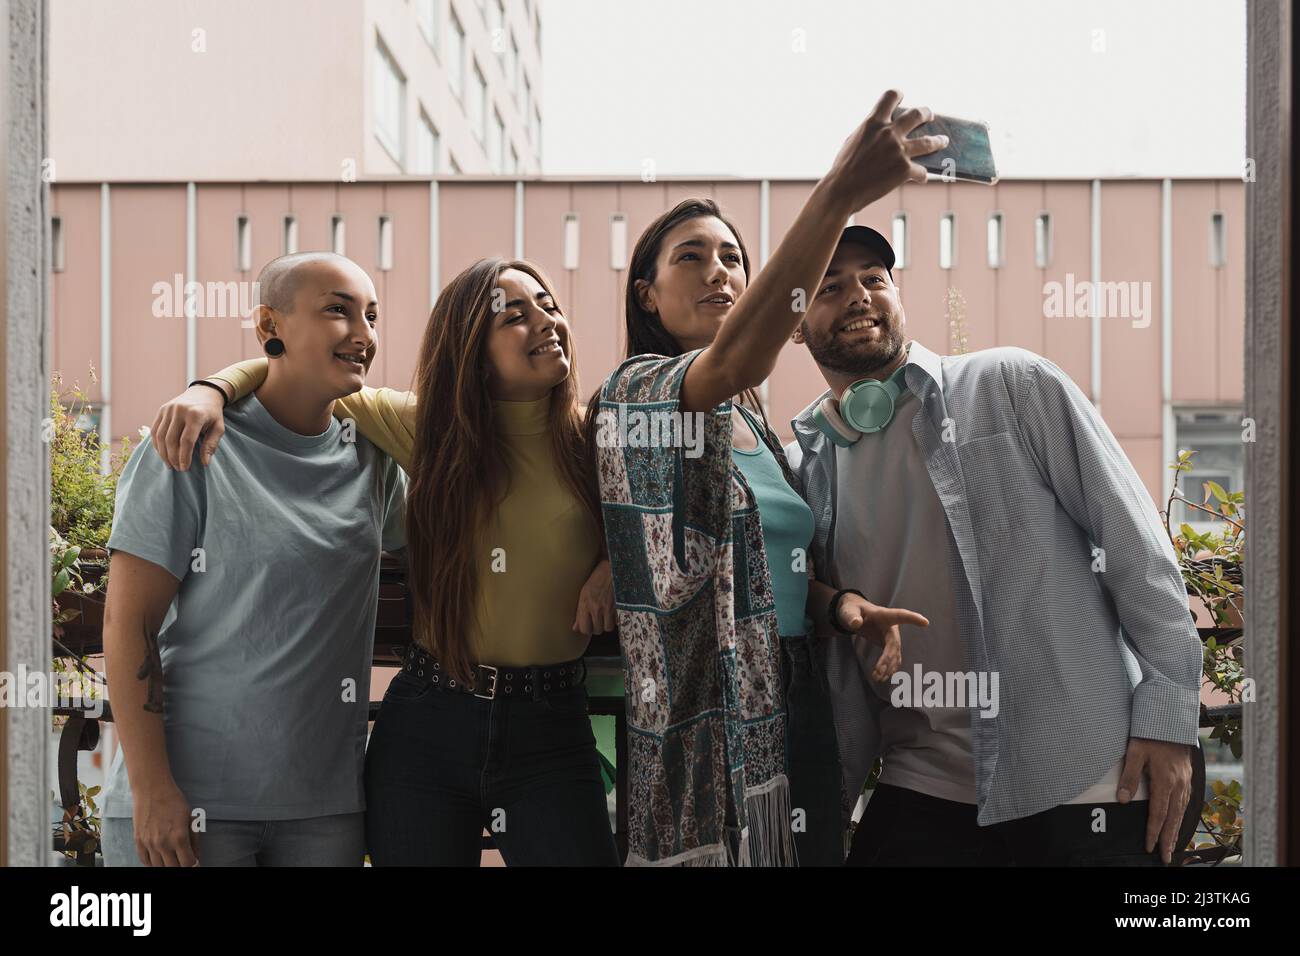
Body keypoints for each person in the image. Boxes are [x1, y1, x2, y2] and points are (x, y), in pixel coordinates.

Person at [149, 257, 620, 866]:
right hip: (428, 725)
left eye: (549, 305)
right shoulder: (431, 429)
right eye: (515, 315)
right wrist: (209, 389)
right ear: (472, 348)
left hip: (552, 727)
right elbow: (296, 371)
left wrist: (615, 560)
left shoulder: (599, 440)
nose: (546, 322)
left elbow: (673, 520)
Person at [590, 89, 942, 866]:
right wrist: (840, 190)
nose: (719, 272)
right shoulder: (636, 390)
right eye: (691, 257)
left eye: (732, 259)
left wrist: (842, 607)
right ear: (645, 293)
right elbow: (741, 356)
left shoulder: (749, 417)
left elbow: (760, 568)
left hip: (795, 690)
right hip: (704, 724)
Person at [785, 225, 1203, 866]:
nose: (860, 296)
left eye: (875, 279)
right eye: (830, 287)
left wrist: (1169, 716)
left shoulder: (1010, 384)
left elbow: (1134, 545)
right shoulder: (808, 461)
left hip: (1085, 775)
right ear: (792, 325)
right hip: (923, 779)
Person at [101, 252, 406, 866]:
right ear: (271, 324)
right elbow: (128, 625)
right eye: (337, 312)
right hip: (190, 802)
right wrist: (153, 791)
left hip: (325, 811)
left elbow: (461, 542)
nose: (364, 335)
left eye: (371, 317)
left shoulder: (374, 459)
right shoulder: (191, 442)